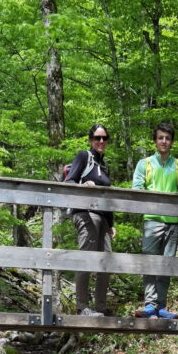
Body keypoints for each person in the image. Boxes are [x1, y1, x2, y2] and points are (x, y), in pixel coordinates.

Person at [132, 121, 178, 319]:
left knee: (167, 265)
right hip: (152, 221)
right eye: (160, 138)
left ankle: (162, 306)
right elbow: (137, 189)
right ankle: (150, 304)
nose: (164, 141)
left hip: (173, 223)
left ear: (172, 141)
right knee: (150, 263)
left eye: (167, 138)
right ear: (155, 141)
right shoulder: (145, 164)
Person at [64, 123, 115, 316]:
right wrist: (84, 184)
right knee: (86, 258)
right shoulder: (84, 156)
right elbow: (68, 181)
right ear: (90, 139)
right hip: (86, 213)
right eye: (97, 138)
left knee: (106, 261)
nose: (101, 141)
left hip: (103, 217)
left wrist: (111, 224)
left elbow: (108, 196)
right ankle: (82, 306)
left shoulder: (104, 164)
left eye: (104, 138)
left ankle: (101, 307)